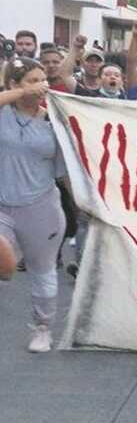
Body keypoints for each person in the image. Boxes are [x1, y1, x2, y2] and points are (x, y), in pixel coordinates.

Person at [0, 57, 68, 352]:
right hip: (3, 205)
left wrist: (83, 204)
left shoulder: (55, 119)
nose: (42, 86)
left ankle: (42, 328)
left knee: (43, 270)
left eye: (44, 80)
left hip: (41, 207)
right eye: (33, 80)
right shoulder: (3, 112)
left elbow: (67, 170)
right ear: (14, 85)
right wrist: (18, 94)